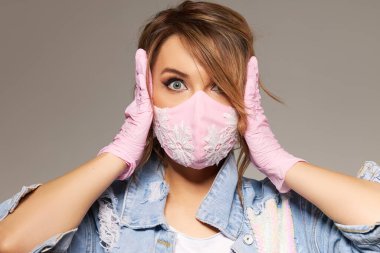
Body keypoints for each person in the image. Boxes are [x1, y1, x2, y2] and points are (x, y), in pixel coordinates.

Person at [0, 1, 379, 252]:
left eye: (218, 86)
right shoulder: (103, 222)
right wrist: (118, 152)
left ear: (244, 98)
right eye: (175, 83)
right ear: (146, 92)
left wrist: (278, 160)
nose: (198, 107)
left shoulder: (286, 221)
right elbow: (10, 242)